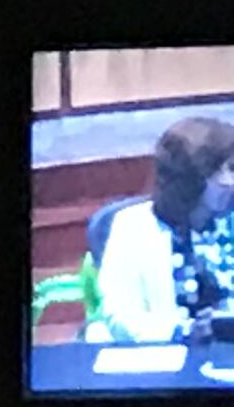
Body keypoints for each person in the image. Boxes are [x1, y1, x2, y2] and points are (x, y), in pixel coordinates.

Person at [92, 116, 234, 348]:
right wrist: (184, 331)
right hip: (170, 361)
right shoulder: (132, 226)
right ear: (192, 179)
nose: (232, 182)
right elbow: (121, 318)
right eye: (227, 170)